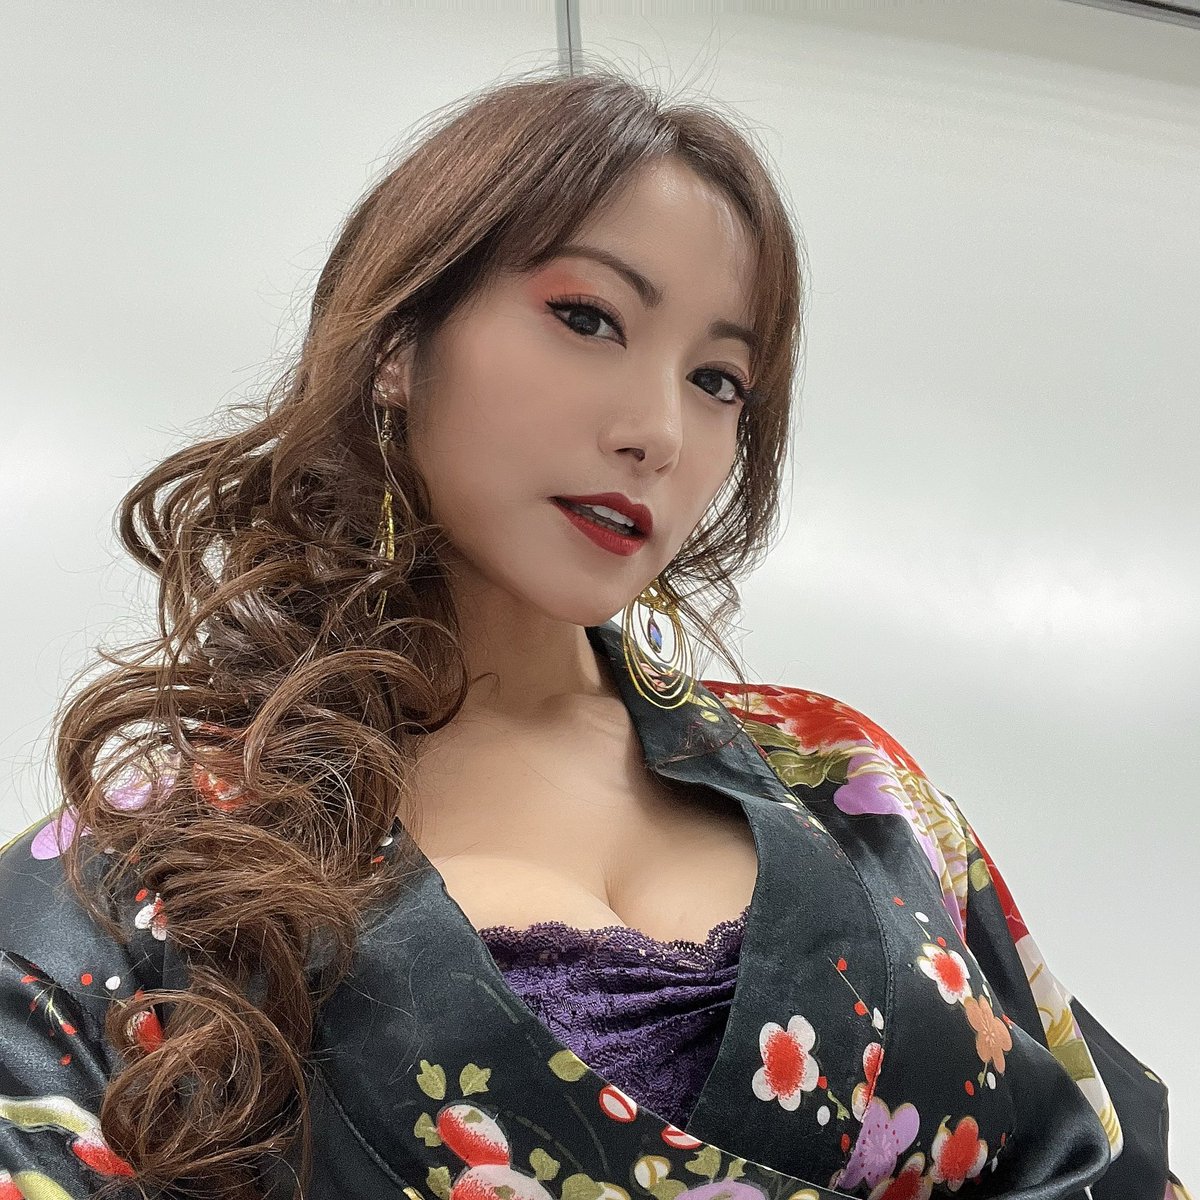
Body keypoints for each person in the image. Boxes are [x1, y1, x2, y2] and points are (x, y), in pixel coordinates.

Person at [0, 65, 1188, 1200]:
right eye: (588, 317)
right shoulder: (140, 880)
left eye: (718, 381)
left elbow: (1106, 1152)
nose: (658, 431)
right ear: (401, 344)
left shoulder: (848, 780)